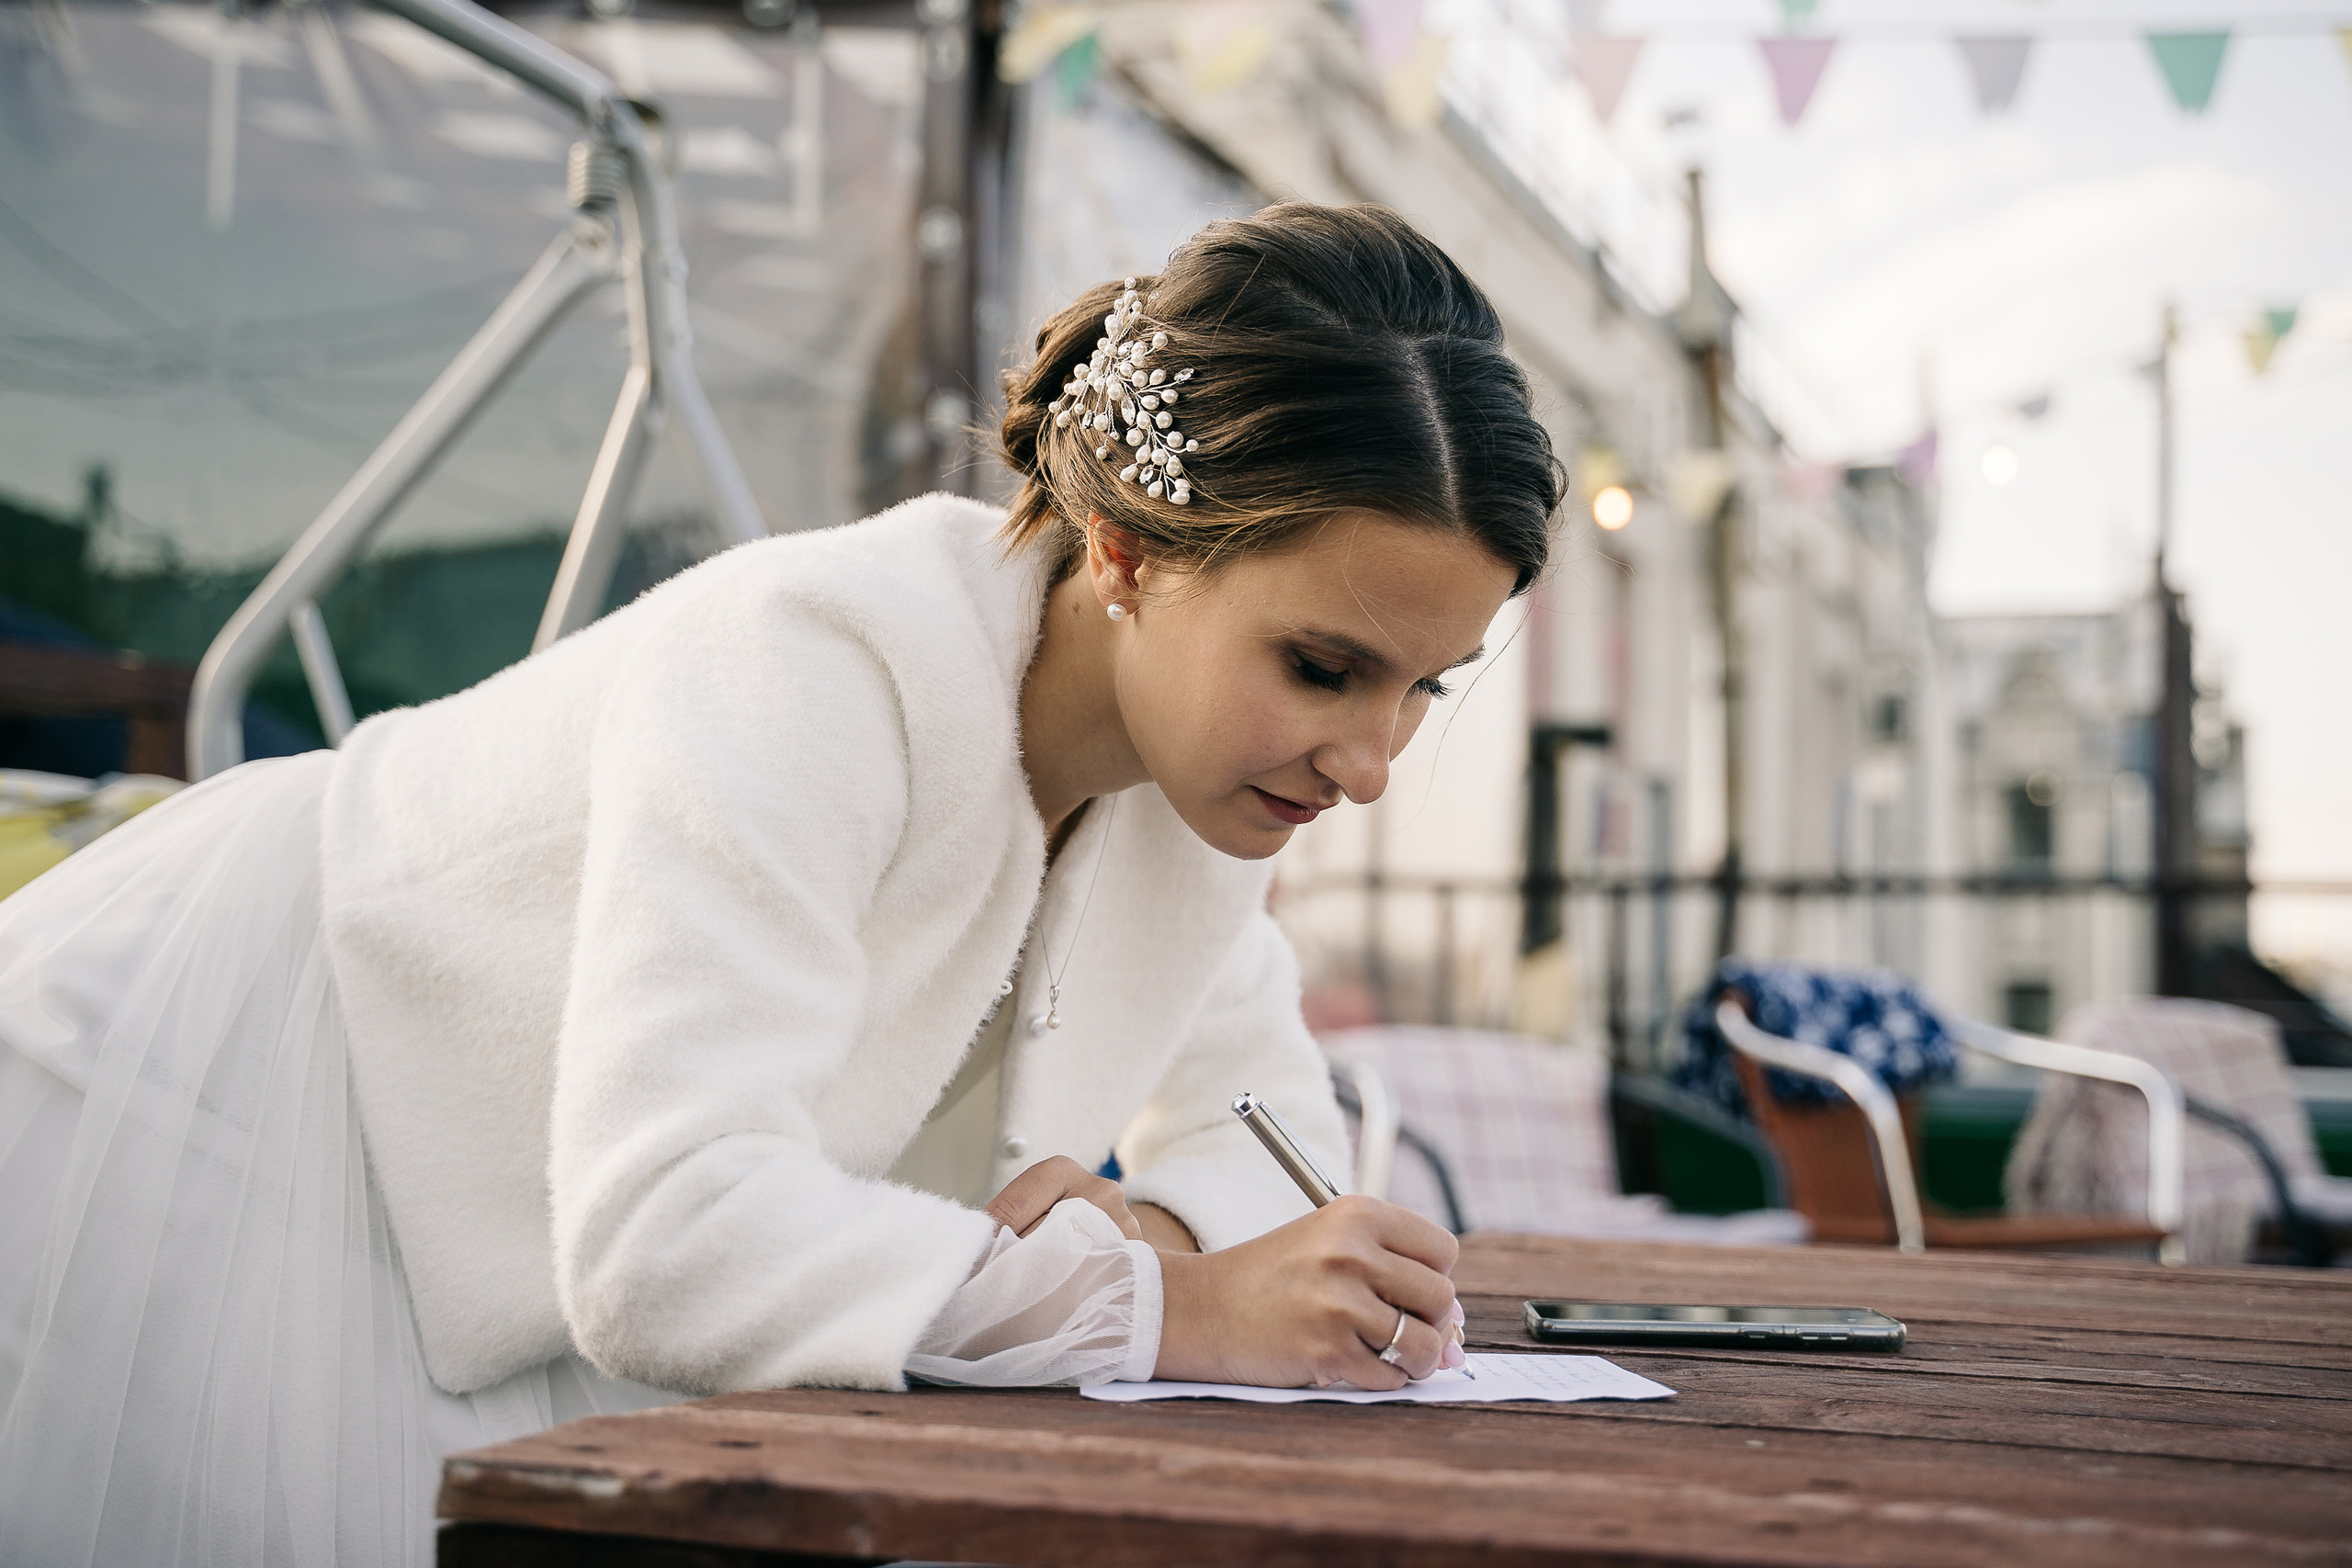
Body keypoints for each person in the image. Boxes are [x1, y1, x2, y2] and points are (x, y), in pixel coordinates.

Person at [0, 201, 1562, 1567]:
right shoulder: (808, 668)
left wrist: (1143, 1236)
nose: (1371, 764)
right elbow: (667, 1237)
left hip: (468, 1259)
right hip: (206, 1121)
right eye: (1324, 668)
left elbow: (1270, 1140)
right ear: (1128, 553)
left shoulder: (1195, 786)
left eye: (1423, 689)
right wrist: (1179, 1306)